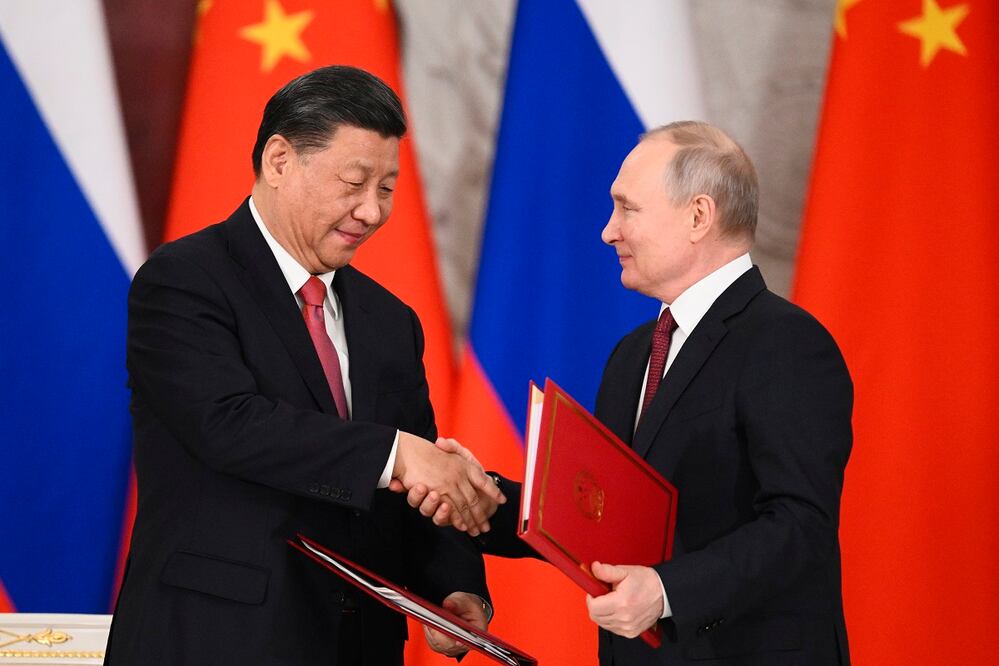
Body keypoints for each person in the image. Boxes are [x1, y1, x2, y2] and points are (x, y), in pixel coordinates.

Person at [410, 121, 853, 665]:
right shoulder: (632, 354)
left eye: (627, 209)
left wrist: (666, 592)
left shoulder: (787, 343)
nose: (608, 231)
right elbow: (601, 519)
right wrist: (485, 499)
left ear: (698, 217)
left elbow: (801, 526)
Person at [105, 65, 505, 665]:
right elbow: (229, 426)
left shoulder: (389, 320)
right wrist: (398, 454)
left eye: (388, 188)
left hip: (359, 647)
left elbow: (411, 482)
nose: (371, 211)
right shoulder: (183, 280)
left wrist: (452, 584)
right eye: (354, 182)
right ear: (280, 160)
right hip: (215, 642)